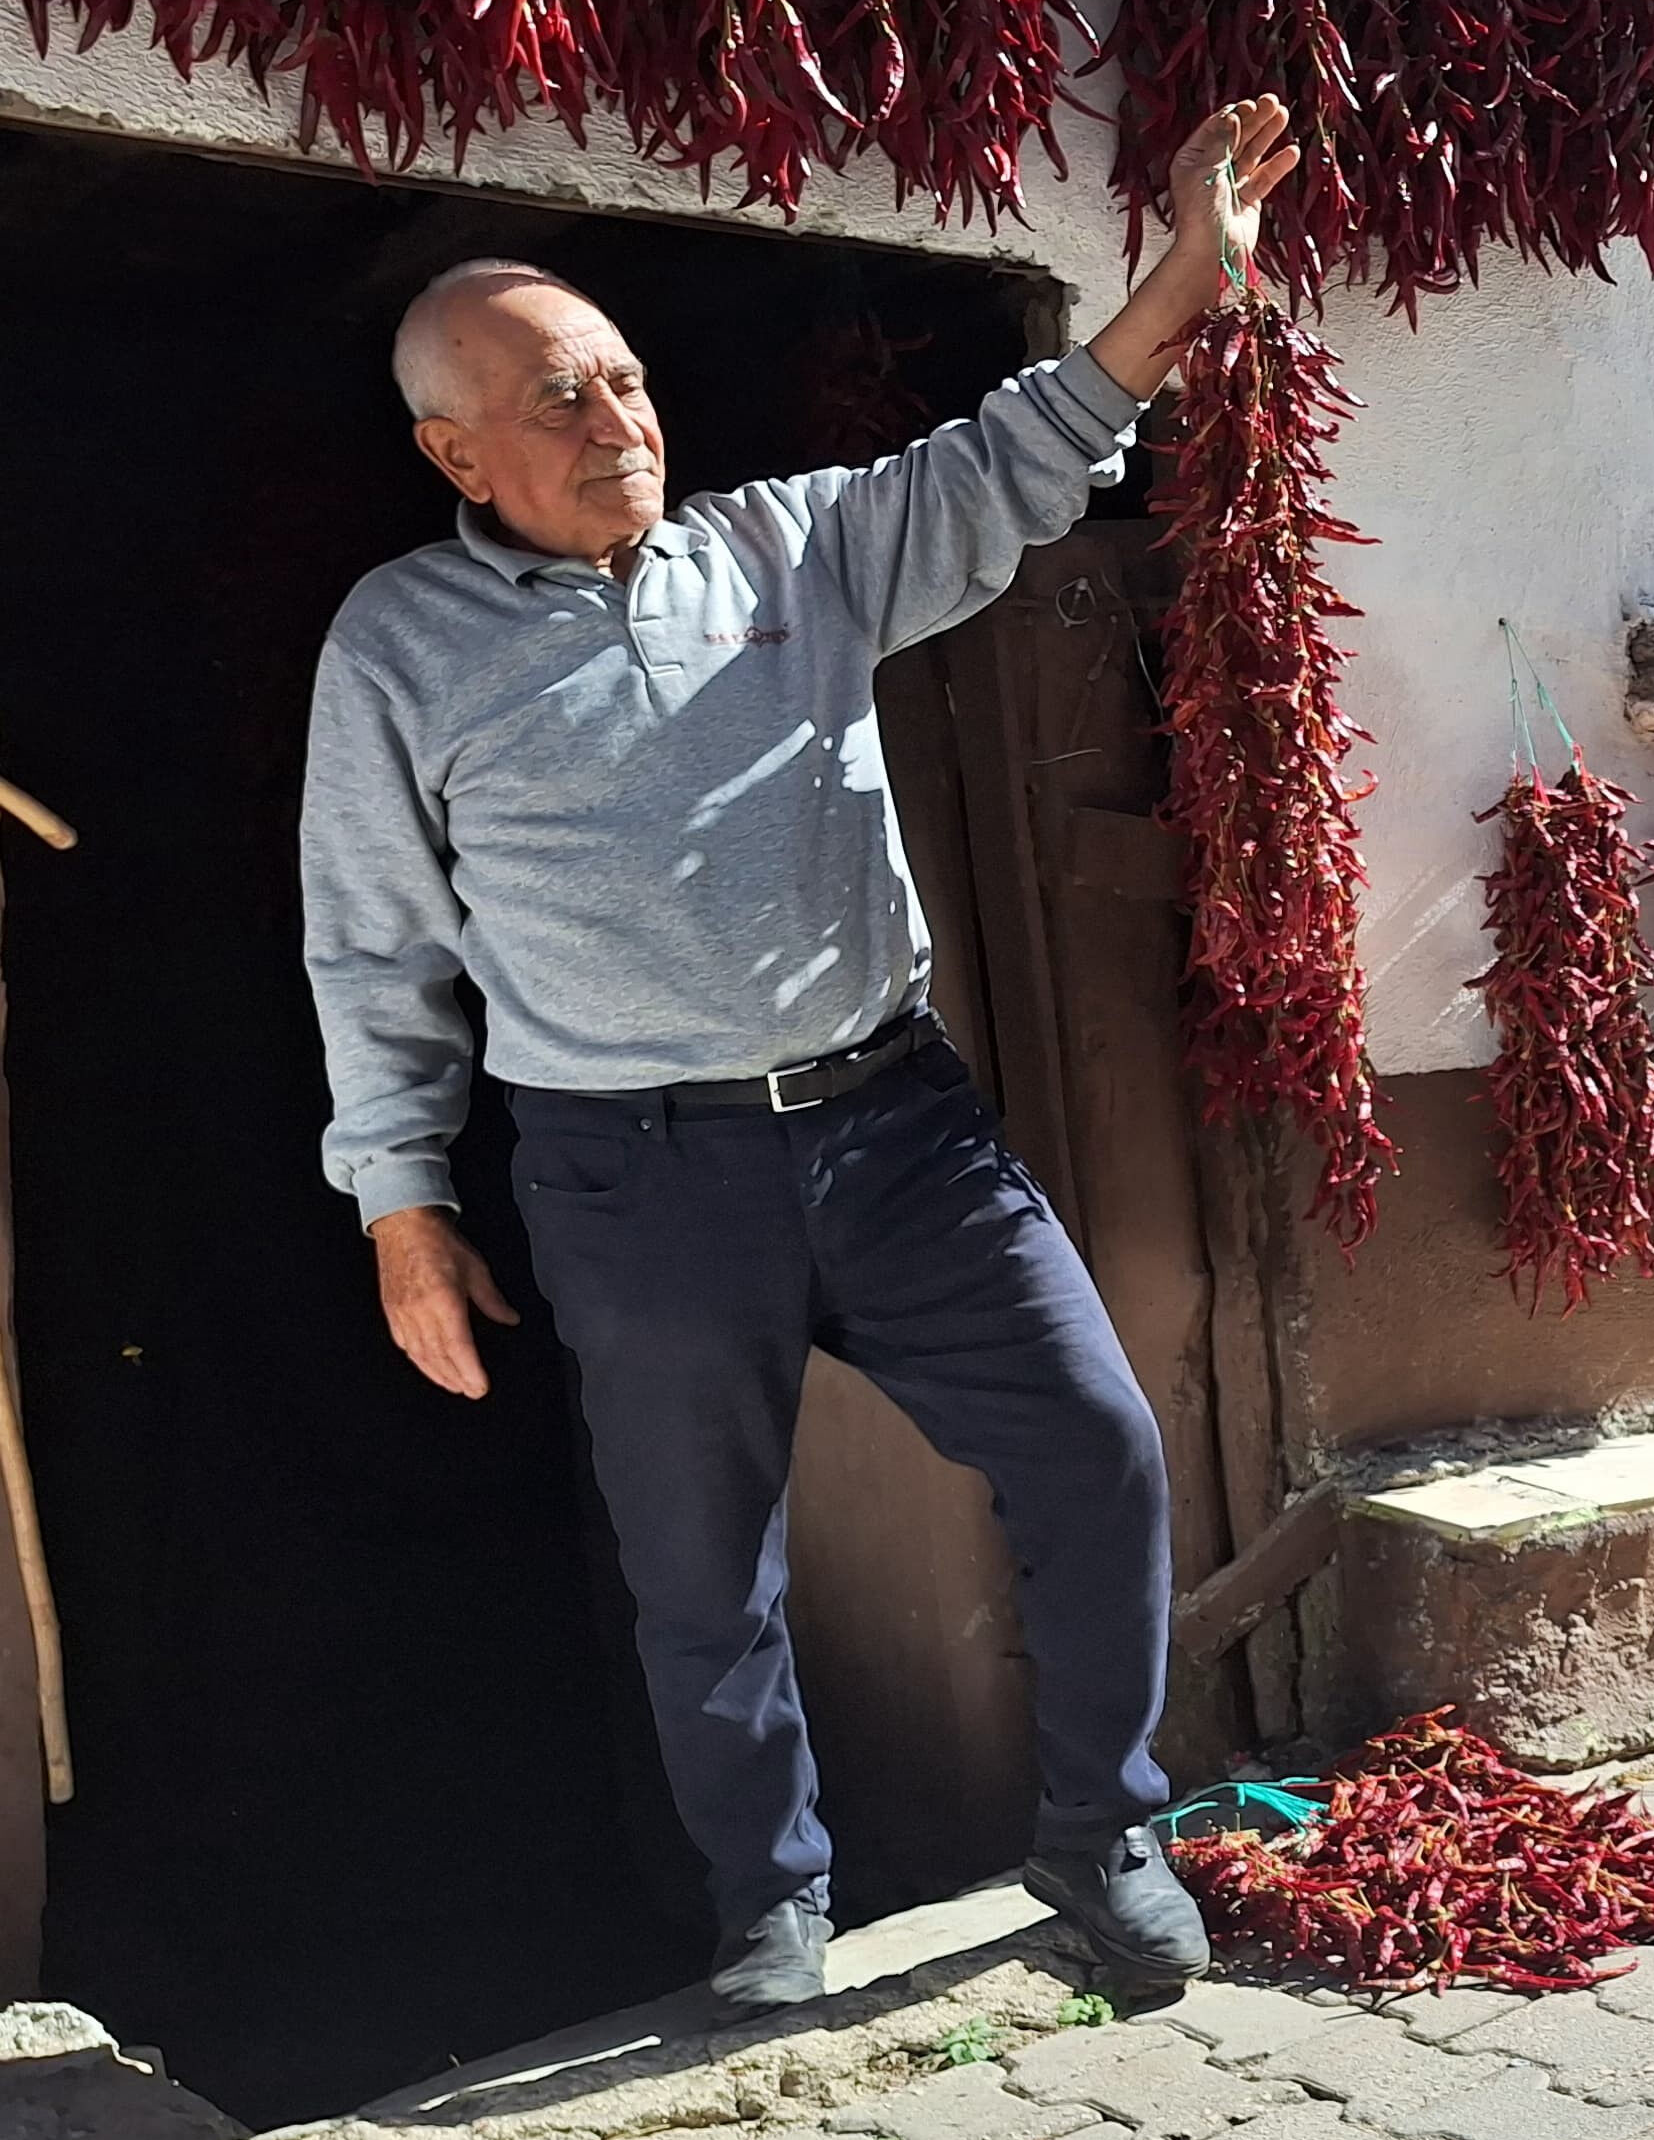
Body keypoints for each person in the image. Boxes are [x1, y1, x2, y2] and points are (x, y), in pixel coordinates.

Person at [299, 99, 1306, 2020]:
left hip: (893, 1126)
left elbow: (1013, 455)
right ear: (456, 451)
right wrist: (401, 1209)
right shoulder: (398, 645)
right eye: (560, 399)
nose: (617, 421)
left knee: (1095, 1448)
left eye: (625, 380)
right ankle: (771, 1904)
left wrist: (1186, 274)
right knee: (704, 1574)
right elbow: (373, 943)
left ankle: (1103, 1831)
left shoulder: (790, 548)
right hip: (631, 1172)